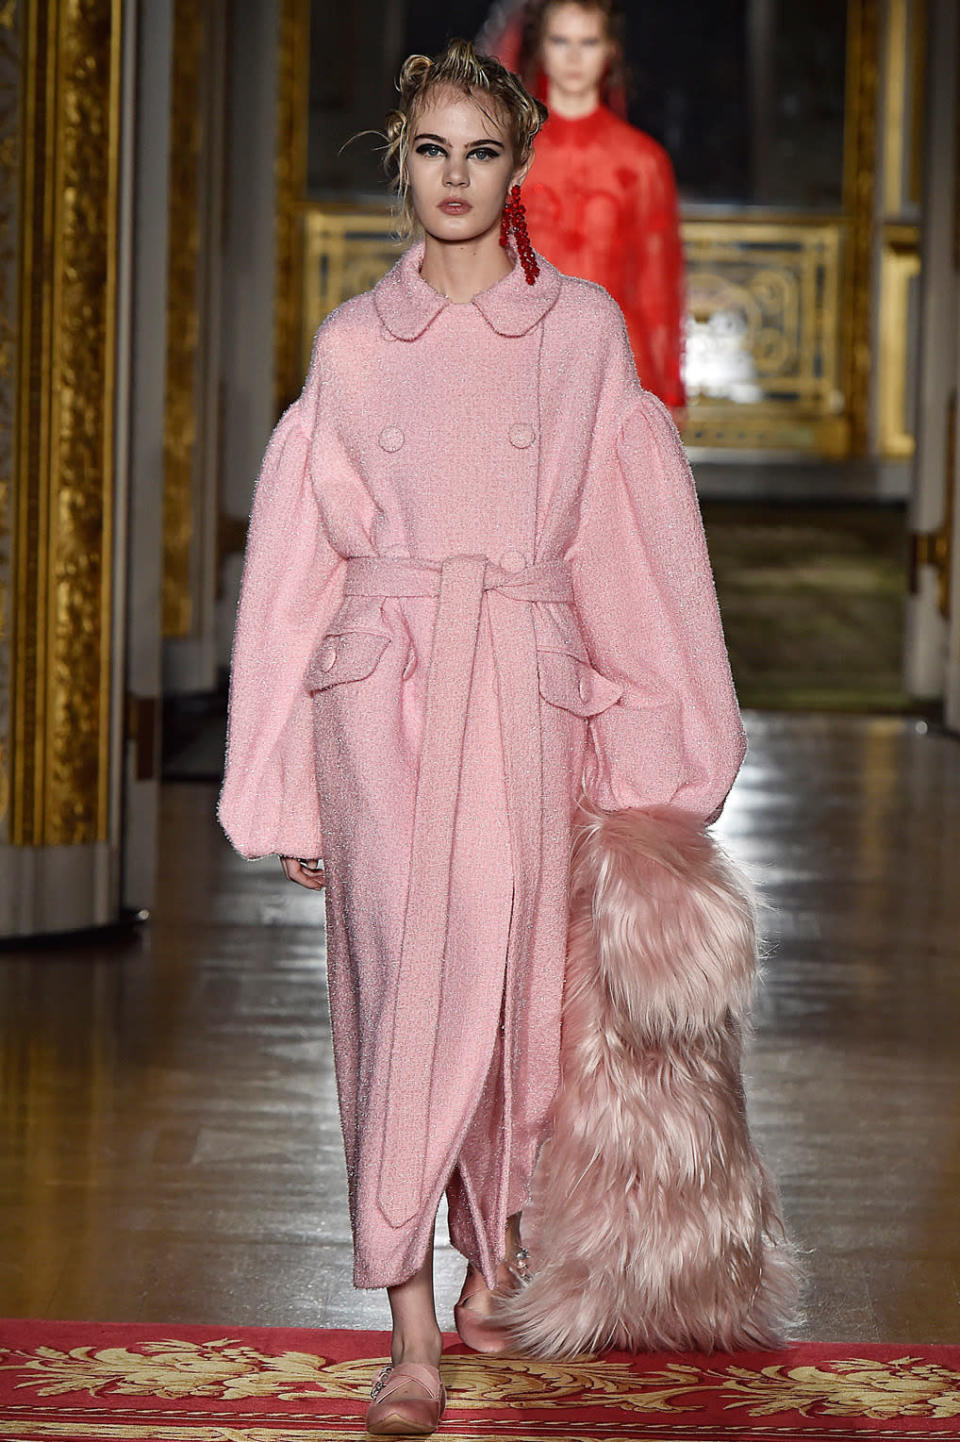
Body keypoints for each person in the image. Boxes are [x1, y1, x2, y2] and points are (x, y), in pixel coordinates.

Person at [219, 36, 795, 1440]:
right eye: (431, 150)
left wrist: (668, 751)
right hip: (387, 697)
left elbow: (633, 541)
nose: (456, 177)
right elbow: (296, 566)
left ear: (523, 161)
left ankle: (497, 1258)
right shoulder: (354, 348)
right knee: (403, 984)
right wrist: (284, 780)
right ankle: (407, 1319)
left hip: (528, 693)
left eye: (483, 151)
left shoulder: (583, 336)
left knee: (526, 997)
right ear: (398, 162)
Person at [480, 0, 687, 412]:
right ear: (540, 47)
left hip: (617, 370)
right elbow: (478, 269)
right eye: (560, 41)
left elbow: (658, 287)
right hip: (520, 363)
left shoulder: (643, 161)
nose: (574, 57)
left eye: (588, 42)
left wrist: (670, 396)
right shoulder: (507, 153)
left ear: (611, 49)